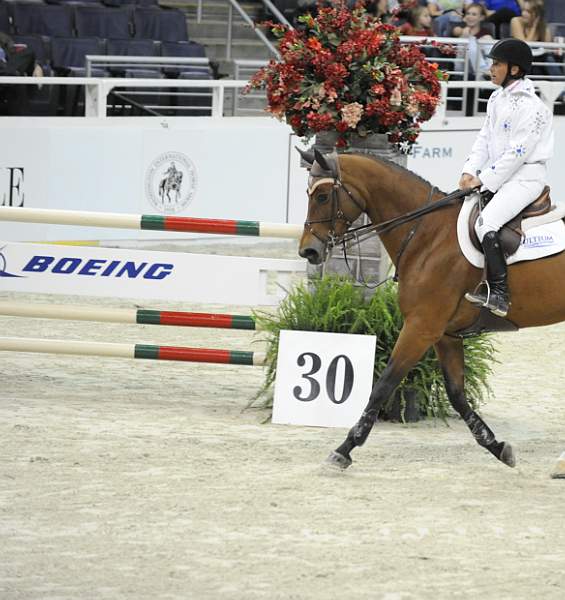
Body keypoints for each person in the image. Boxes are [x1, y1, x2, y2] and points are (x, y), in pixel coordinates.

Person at [459, 38, 554, 317]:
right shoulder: (496, 98)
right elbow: (484, 139)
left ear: (514, 70)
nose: (491, 68)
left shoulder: (533, 107)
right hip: (502, 176)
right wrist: (469, 170)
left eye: (497, 64)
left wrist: (484, 180)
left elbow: (518, 153)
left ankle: (499, 294)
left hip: (526, 178)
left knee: (486, 222)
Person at [510, 0, 562, 77]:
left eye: (528, 11)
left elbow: (547, 46)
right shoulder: (516, 21)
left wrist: (540, 25)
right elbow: (524, 45)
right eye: (523, 10)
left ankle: (560, 81)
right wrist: (534, 27)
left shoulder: (541, 25)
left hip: (539, 58)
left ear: (537, 15)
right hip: (521, 58)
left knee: (548, 59)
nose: (523, 14)